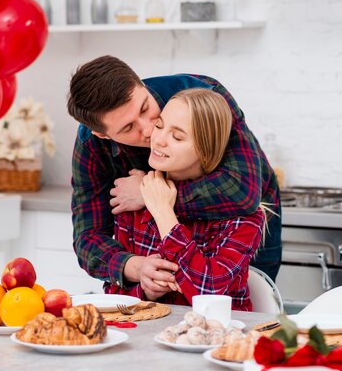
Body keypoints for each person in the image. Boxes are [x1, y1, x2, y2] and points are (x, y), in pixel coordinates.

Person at [67, 55, 281, 297]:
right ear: (103, 135)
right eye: (128, 128)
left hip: (241, 225)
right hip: (158, 244)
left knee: (253, 301)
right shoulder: (91, 144)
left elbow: (241, 190)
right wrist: (137, 268)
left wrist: (149, 195)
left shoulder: (205, 95)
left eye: (146, 108)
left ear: (141, 84)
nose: (150, 131)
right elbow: (88, 239)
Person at [104, 88, 267, 309]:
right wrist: (144, 288)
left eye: (177, 136)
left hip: (217, 338)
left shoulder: (243, 218)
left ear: (205, 151)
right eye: (159, 126)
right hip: (148, 337)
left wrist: (164, 214)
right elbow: (112, 293)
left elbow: (207, 293)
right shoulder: (133, 200)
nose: (159, 139)